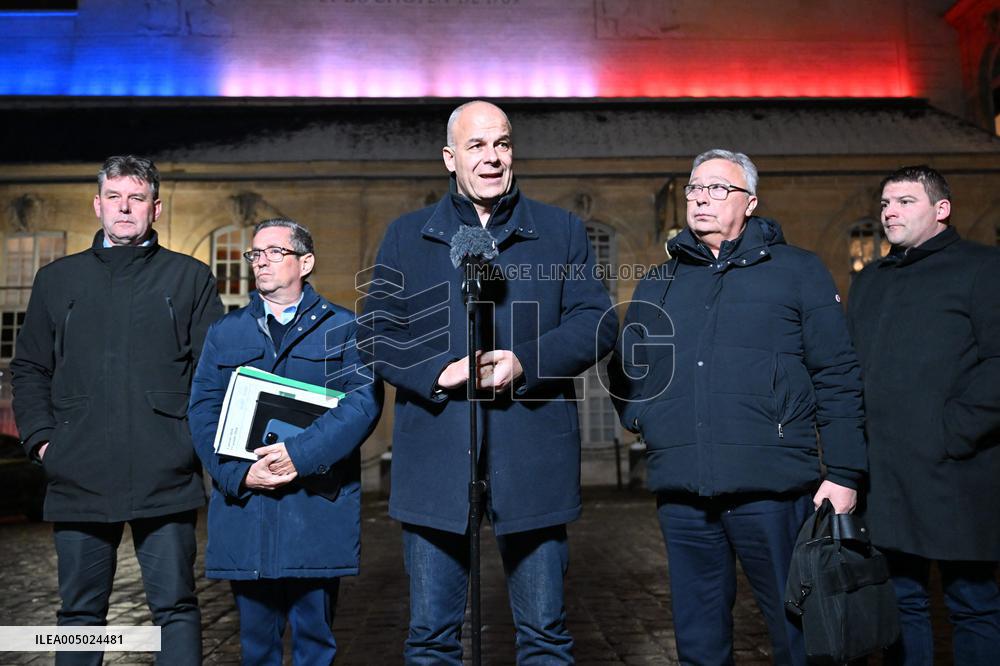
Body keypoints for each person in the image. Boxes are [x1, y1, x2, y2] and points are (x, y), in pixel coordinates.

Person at [360, 100, 617, 663]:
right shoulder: (406, 236)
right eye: (476, 145)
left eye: (502, 143)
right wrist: (438, 371)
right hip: (436, 460)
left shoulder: (560, 230)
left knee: (545, 635)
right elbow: (375, 332)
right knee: (430, 637)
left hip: (533, 457)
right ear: (450, 158)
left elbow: (596, 322)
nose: (492, 157)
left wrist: (525, 363)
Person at [610, 149, 867, 665]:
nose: (701, 198)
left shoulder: (797, 271)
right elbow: (626, 366)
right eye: (694, 188)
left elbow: (837, 373)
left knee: (800, 633)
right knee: (699, 641)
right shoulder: (660, 281)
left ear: (750, 202)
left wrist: (844, 472)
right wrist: (645, 419)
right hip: (683, 494)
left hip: (770, 489)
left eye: (718, 188)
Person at [11, 155, 223, 665]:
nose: (124, 208)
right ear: (98, 204)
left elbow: (213, 375)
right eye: (114, 197)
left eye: (136, 198)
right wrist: (44, 441)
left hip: (164, 474)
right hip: (78, 472)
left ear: (156, 208)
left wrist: (189, 445)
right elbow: (30, 368)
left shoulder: (190, 277)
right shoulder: (57, 280)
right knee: (79, 614)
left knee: (176, 607)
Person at [188, 218, 382, 665]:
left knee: (315, 645)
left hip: (313, 513)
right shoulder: (225, 331)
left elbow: (364, 403)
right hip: (247, 514)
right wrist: (239, 475)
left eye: (275, 252)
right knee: (256, 649)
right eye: (255, 254)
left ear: (305, 262)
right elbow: (202, 411)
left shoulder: (345, 329)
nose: (261, 261)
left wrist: (298, 455)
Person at [847, 165, 1000, 666]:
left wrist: (953, 433)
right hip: (886, 478)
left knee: (972, 603)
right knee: (899, 603)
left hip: (958, 474)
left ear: (941, 209)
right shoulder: (870, 281)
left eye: (905, 201)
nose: (890, 212)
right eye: (885, 203)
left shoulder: (983, 268)